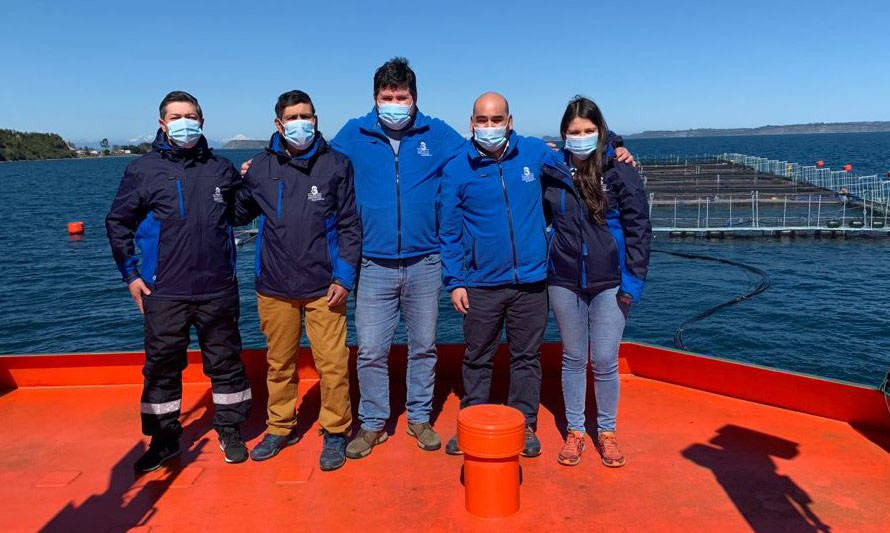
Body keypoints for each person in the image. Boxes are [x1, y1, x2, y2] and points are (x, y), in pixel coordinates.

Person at [106, 91, 252, 472]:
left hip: (217, 288)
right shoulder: (142, 170)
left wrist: (251, 183)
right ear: (162, 123)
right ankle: (164, 440)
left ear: (202, 122)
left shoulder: (221, 168)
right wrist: (131, 276)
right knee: (161, 367)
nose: (183, 122)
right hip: (163, 290)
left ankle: (230, 429)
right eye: (175, 116)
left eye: (190, 115)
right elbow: (118, 222)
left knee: (226, 363)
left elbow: (238, 215)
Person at [330, 58, 468, 458]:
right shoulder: (353, 134)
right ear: (375, 98)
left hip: (426, 261)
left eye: (401, 97)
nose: (394, 103)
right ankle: (373, 423)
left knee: (423, 345)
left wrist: (611, 141)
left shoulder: (437, 133)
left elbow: (480, 150)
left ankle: (419, 418)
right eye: (387, 97)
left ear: (414, 98)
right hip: (372, 264)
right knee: (371, 348)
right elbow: (314, 160)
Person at [233, 90, 361, 471]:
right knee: (279, 363)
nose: (301, 122)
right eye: (293, 117)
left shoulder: (337, 165)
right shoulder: (260, 167)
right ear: (278, 124)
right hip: (274, 285)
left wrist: (345, 275)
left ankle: (336, 431)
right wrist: (239, 181)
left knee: (333, 364)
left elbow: (351, 225)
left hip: (325, 286)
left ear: (316, 119)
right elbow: (239, 214)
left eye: (307, 115)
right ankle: (280, 426)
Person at [541, 96, 651, 467]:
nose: (582, 137)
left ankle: (606, 431)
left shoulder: (620, 170)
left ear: (600, 131)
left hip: (610, 282)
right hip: (563, 279)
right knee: (573, 357)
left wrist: (633, 282)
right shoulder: (552, 170)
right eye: (575, 132)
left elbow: (639, 229)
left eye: (589, 130)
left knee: (604, 360)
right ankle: (575, 431)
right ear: (564, 135)